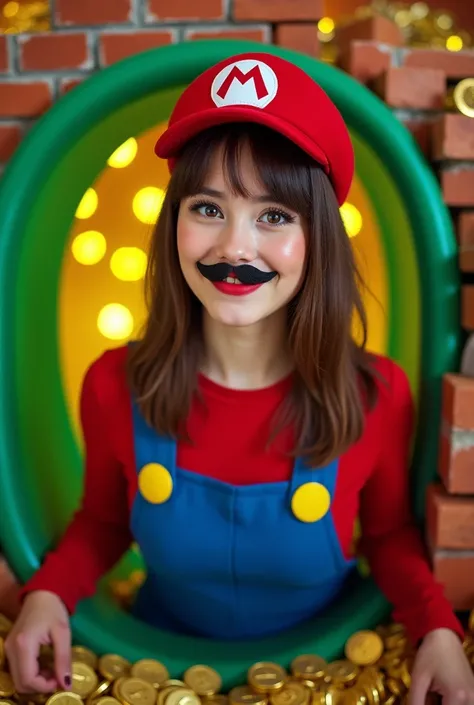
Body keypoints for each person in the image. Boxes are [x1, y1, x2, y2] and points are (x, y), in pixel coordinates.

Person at [5, 51, 474, 704]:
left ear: (317, 239)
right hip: (160, 666)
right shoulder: (115, 383)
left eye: (274, 216)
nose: (234, 246)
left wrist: (439, 628)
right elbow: (103, 524)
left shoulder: (377, 395)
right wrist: (48, 593)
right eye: (208, 208)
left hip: (325, 670)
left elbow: (390, 536)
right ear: (174, 223)